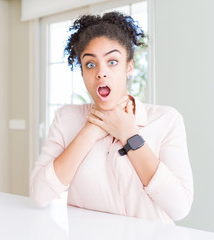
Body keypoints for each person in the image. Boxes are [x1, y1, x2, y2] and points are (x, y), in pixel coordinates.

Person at [29, 12, 193, 224]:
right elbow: (40, 195)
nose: (101, 73)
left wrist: (128, 134)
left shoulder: (166, 120)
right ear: (82, 73)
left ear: (129, 67)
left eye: (112, 61)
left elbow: (179, 208)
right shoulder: (66, 118)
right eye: (90, 64)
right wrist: (91, 130)